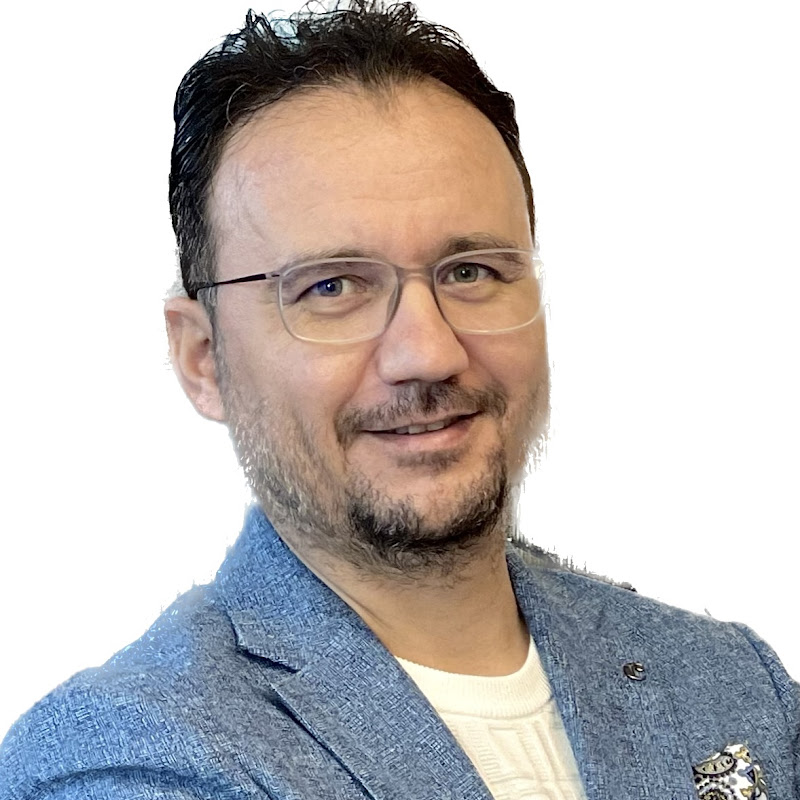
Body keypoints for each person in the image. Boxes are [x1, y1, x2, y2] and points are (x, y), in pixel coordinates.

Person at [1, 2, 797, 798]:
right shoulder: (127, 757)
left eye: (471, 272)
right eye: (332, 287)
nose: (428, 352)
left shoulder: (731, 682)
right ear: (203, 358)